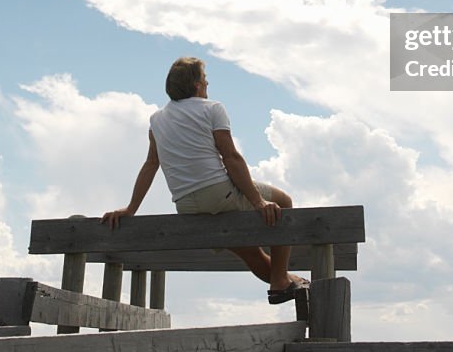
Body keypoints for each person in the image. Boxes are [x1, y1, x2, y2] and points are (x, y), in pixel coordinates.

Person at [101, 56, 309, 304]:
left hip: (186, 206)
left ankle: (287, 284)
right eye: (205, 79)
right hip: (219, 193)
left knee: (254, 255)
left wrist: (131, 208)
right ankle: (282, 283)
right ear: (197, 85)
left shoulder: (156, 120)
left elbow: (151, 164)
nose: (207, 83)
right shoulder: (212, 108)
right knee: (284, 201)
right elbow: (230, 157)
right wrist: (258, 202)